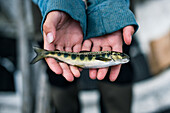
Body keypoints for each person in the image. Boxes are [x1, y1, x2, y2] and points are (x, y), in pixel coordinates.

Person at [32, 0, 138, 113]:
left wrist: (110, 8)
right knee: (59, 75)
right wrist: (59, 4)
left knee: (118, 75)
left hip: (116, 10)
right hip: (53, 18)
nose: (122, 58)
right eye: (120, 57)